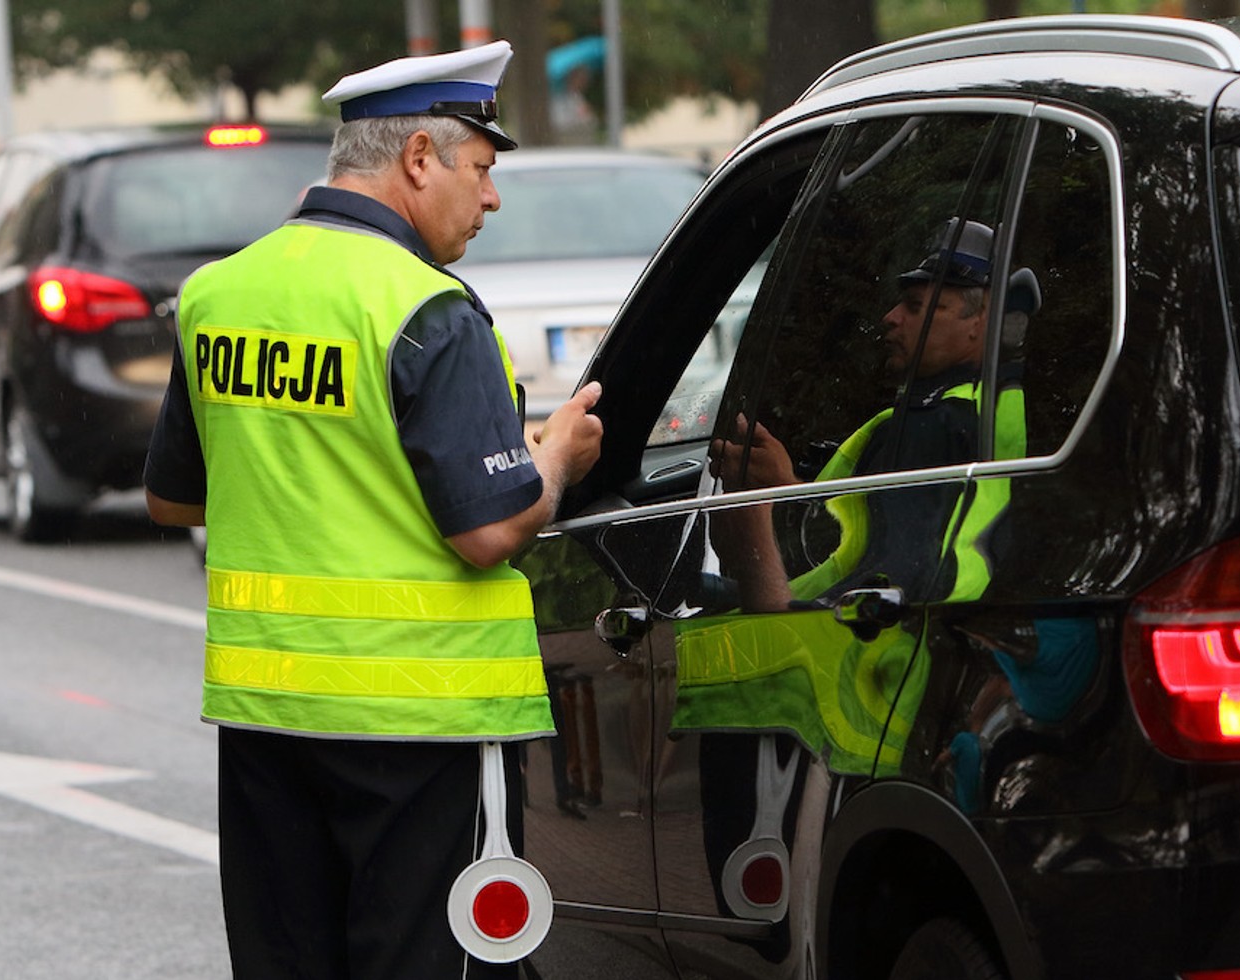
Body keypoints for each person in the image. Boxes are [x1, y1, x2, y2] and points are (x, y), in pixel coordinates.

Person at [141, 40, 604, 979]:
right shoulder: (426, 308)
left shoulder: (218, 293)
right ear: (420, 158)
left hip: (269, 721)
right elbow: (490, 530)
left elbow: (173, 497)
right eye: (481, 168)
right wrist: (554, 462)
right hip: (422, 726)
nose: (491, 198)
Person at [710, 218, 1032, 612]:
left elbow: (858, 615)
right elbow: (856, 550)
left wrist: (753, 515)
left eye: (916, 306)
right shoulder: (985, 413)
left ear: (980, 323)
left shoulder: (935, 426)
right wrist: (788, 487)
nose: (891, 317)